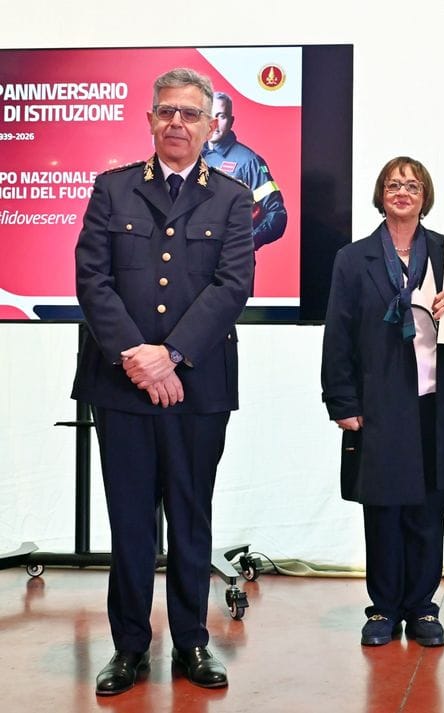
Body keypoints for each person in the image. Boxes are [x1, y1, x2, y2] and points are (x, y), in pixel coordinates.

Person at [72, 68, 254, 696]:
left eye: (190, 114)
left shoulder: (232, 198)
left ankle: (192, 644)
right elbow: (92, 280)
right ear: (150, 120)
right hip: (120, 385)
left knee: (189, 515)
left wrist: (171, 355)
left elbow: (233, 286)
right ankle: (128, 647)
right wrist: (136, 356)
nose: (177, 123)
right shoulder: (112, 189)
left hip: (197, 387)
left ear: (210, 127)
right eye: (167, 112)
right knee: (129, 520)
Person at [321, 156, 444, 648]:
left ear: (425, 195)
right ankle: (384, 609)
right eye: (393, 184)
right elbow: (338, 335)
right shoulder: (354, 259)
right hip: (379, 403)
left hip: (436, 398)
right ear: (381, 195)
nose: (403, 192)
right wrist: (341, 400)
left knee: (431, 508)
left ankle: (423, 608)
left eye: (412, 185)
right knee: (383, 509)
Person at [202, 91, 288, 250]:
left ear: (231, 120)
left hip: (232, 263)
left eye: (221, 116)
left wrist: (245, 244)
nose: (214, 122)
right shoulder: (193, 158)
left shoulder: (249, 162)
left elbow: (277, 214)